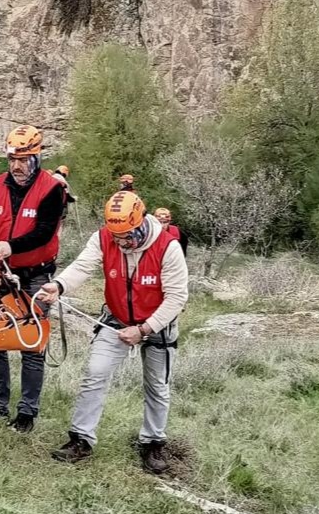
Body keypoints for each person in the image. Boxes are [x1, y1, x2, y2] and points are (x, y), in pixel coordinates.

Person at [39, 190, 188, 473]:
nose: (121, 242)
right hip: (116, 319)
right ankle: (81, 439)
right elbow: (83, 266)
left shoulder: (168, 247)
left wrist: (144, 329)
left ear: (141, 221)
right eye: (116, 235)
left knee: (157, 386)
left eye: (127, 235)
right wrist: (58, 286)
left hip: (158, 326)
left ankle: (152, 442)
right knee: (95, 374)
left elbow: (177, 298)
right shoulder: (103, 238)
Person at [0, 125, 64, 433]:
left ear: (36, 158)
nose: (17, 166)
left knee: (31, 342)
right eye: (12, 159)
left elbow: (45, 232)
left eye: (23, 159)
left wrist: (12, 246)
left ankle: (26, 412)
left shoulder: (51, 189)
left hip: (35, 275)